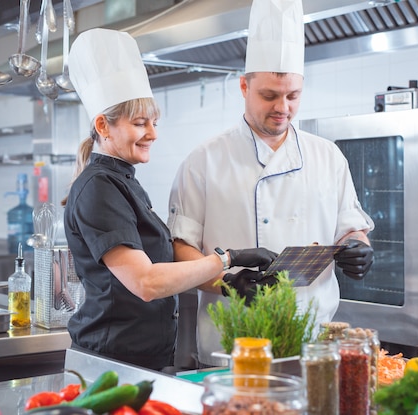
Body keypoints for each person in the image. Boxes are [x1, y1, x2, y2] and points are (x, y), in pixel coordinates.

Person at [167, 0, 375, 367]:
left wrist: (358, 248)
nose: (283, 107)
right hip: (231, 342)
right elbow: (181, 251)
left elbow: (350, 230)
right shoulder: (204, 161)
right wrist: (228, 284)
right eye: (269, 96)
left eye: (292, 96)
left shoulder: (328, 156)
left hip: (314, 342)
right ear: (244, 86)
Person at [62, 28, 277, 371]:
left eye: (154, 122)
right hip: (110, 363)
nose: (153, 134)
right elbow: (146, 282)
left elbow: (161, 267)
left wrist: (227, 284)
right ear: (103, 125)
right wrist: (227, 259)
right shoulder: (99, 187)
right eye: (140, 123)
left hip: (137, 360)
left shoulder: (123, 181)